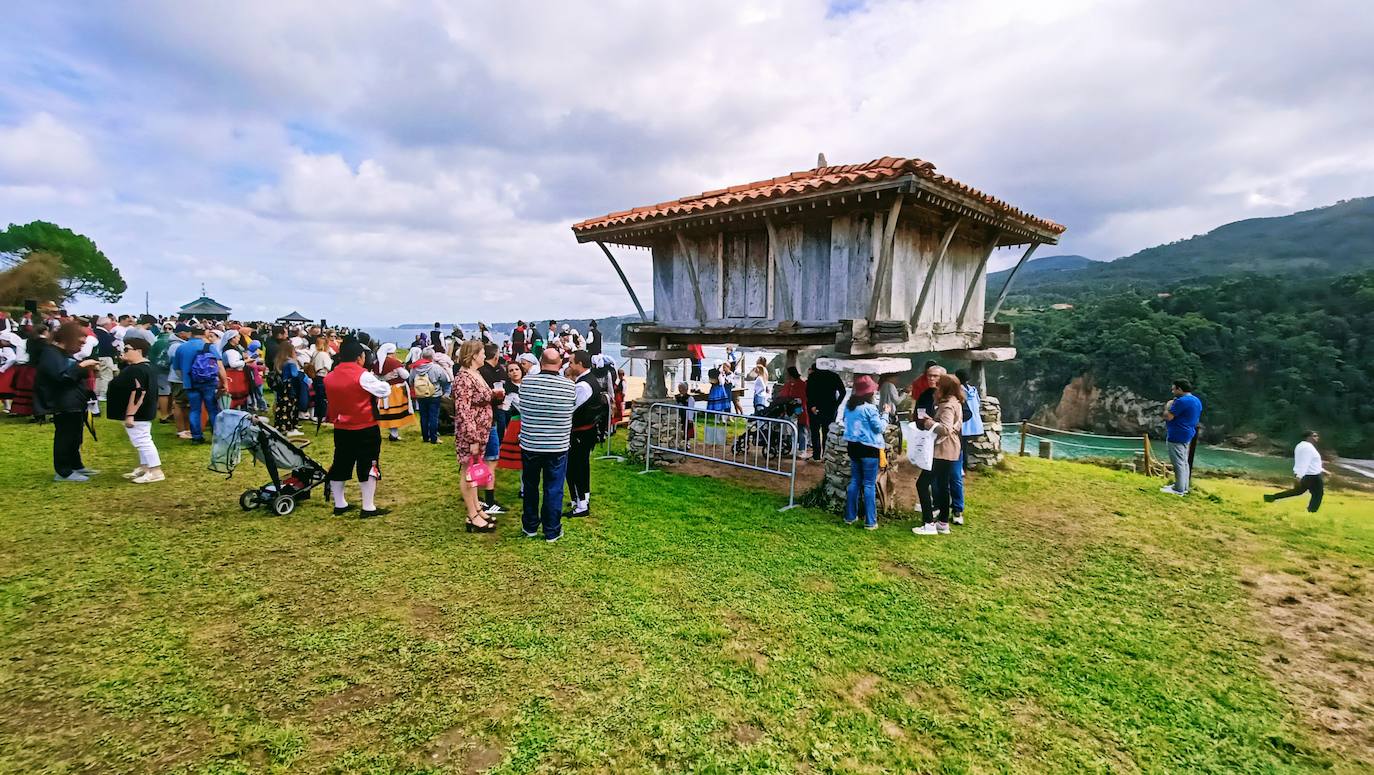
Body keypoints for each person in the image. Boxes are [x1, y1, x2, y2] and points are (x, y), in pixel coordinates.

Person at [323, 340, 392, 518]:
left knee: (341, 462)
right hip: (365, 425)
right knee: (368, 464)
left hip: (341, 426)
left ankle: (340, 504)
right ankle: (368, 506)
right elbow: (384, 390)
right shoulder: (363, 376)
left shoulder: (330, 376)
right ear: (360, 357)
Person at [519, 348, 577, 542]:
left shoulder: (526, 382)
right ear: (560, 363)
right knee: (554, 488)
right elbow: (571, 409)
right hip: (557, 446)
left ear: (540, 363)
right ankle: (551, 530)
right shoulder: (569, 387)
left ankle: (530, 526)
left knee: (530, 485)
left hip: (531, 443)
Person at [34, 322, 99, 481]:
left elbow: (70, 374)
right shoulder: (50, 353)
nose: (81, 346)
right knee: (65, 436)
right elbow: (61, 377)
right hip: (63, 403)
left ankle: (75, 465)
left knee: (76, 436)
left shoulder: (63, 354)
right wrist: (82, 366)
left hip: (74, 402)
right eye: (80, 342)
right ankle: (63, 471)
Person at [451, 340, 497, 531]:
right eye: (482, 353)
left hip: (481, 429)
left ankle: (477, 507)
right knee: (468, 472)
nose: (485, 356)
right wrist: (472, 438)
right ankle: (472, 514)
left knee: (475, 469)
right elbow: (463, 410)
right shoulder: (463, 378)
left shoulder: (475, 374)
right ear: (473, 355)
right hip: (471, 433)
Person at [106, 337, 164, 483]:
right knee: (141, 440)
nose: (123, 352)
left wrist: (130, 414)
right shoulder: (143, 367)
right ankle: (145, 467)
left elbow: (138, 392)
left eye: (126, 349)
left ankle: (155, 470)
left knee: (143, 441)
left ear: (138, 351)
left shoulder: (138, 369)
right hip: (142, 411)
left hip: (138, 413)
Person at [913, 374, 964, 536]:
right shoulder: (957, 402)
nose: (936, 385)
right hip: (952, 449)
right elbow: (957, 424)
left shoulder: (948, 405)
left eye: (939, 383)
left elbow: (945, 429)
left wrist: (929, 423)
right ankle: (943, 522)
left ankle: (928, 523)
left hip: (942, 450)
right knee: (943, 485)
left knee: (922, 483)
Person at [843, 375, 888, 529]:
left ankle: (850, 516)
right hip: (869, 449)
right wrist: (886, 414)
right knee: (869, 484)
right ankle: (870, 521)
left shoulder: (849, 407)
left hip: (853, 447)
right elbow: (879, 428)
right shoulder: (870, 408)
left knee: (855, 481)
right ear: (870, 393)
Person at [565, 350, 606, 518]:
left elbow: (570, 409)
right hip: (586, 432)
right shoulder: (590, 380)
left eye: (571, 362)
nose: (569, 365)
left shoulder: (583, 385)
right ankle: (583, 499)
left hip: (580, 434)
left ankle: (580, 504)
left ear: (580, 364)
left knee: (574, 469)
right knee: (581, 466)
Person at [171, 326, 227, 444]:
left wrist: (185, 379)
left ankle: (196, 436)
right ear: (204, 334)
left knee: (194, 410)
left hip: (190, 382)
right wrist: (224, 382)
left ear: (191, 334)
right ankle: (216, 435)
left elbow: (177, 368)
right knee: (212, 409)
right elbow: (220, 366)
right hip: (209, 382)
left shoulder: (181, 347)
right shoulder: (209, 346)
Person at [476, 342, 507, 514]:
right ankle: (489, 501)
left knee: (476, 460)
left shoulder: (476, 373)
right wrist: (498, 398)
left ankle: (475, 495)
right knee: (491, 460)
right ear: (495, 356)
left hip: (479, 422)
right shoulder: (489, 374)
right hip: (489, 421)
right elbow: (490, 398)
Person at [1265, 431, 1326, 512]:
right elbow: (1304, 462)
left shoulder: (1301, 446)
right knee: (1318, 494)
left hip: (1307, 474)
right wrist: (1299, 476)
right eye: (1315, 436)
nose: (1317, 437)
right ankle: (1311, 511)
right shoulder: (1307, 448)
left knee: (1297, 491)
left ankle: (1271, 498)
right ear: (1309, 437)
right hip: (1312, 476)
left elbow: (1309, 462)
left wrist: (1323, 470)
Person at [1161, 379, 1202, 495]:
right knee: (1184, 462)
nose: (1172, 391)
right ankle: (1184, 486)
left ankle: (1178, 489)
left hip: (1176, 434)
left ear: (1179, 389)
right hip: (1188, 433)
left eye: (1174, 389)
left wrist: (1168, 406)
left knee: (1178, 462)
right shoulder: (1196, 400)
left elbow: (1168, 416)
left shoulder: (1181, 401)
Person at [409, 347, 451, 444]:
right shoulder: (436, 368)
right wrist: (445, 391)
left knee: (423, 416)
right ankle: (434, 437)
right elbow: (445, 379)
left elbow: (411, 380)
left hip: (421, 395)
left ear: (422, 356)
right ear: (432, 357)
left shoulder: (415, 368)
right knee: (433, 416)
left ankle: (425, 437)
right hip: (434, 395)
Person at [373, 343, 414, 442]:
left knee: (388, 413)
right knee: (395, 412)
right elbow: (405, 375)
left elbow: (376, 376)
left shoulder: (377, 363)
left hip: (383, 390)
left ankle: (393, 434)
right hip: (395, 391)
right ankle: (394, 434)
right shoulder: (394, 363)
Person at [805, 363, 844, 461]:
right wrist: (836, 405)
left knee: (815, 432)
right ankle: (826, 456)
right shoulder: (834, 376)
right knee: (827, 432)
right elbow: (843, 392)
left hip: (815, 408)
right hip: (830, 408)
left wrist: (812, 405)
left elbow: (808, 392)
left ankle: (816, 455)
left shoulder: (813, 376)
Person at [272, 340, 306, 437]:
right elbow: (294, 374)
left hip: (282, 387)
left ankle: (281, 426)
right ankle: (290, 427)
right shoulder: (291, 362)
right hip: (291, 386)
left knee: (282, 407)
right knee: (291, 407)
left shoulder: (279, 361)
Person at [497, 360, 524, 478]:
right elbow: (504, 408)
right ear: (508, 374)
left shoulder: (529, 384)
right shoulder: (508, 390)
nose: (514, 372)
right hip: (518, 423)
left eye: (517, 369)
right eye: (511, 370)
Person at [776, 366, 809, 454]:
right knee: (794, 430)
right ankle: (795, 448)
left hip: (798, 410)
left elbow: (803, 397)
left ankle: (800, 449)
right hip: (792, 410)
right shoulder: (792, 384)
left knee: (800, 430)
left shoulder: (800, 384)